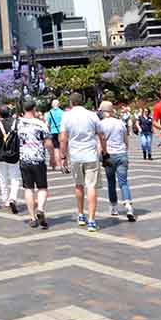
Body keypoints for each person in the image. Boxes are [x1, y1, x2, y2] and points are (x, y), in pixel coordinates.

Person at [58, 92, 107, 231]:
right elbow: (102, 135)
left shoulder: (66, 116)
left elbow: (63, 138)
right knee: (91, 186)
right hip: (91, 155)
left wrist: (63, 156)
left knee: (78, 185)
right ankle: (91, 220)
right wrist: (104, 151)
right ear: (83, 102)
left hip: (75, 156)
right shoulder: (92, 115)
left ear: (70, 103)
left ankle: (80, 215)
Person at [16, 99, 52, 228]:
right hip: (39, 159)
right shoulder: (40, 124)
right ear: (34, 109)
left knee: (28, 188)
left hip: (24, 159)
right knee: (42, 187)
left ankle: (32, 217)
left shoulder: (18, 124)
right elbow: (48, 142)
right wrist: (53, 156)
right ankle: (41, 209)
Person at [100, 102, 135, 222]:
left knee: (111, 182)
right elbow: (126, 139)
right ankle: (128, 206)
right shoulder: (120, 123)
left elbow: (100, 141)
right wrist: (125, 151)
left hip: (109, 155)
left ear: (103, 111)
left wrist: (102, 154)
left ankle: (113, 206)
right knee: (124, 182)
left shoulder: (101, 124)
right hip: (121, 154)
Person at [0, 105, 21, 214]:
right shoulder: (15, 123)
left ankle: (5, 199)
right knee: (15, 177)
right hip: (13, 154)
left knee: (2, 177)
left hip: (0, 154)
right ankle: (13, 198)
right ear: (9, 112)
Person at [45, 99, 65, 171]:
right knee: (63, 148)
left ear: (52, 105)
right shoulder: (62, 112)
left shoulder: (49, 113)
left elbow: (47, 124)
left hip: (53, 132)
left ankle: (58, 165)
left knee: (56, 149)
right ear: (59, 105)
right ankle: (63, 164)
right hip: (62, 132)